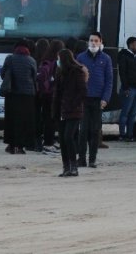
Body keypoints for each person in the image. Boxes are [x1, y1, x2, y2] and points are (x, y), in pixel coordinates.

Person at [76, 32, 113, 167]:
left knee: (95, 131)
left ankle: (92, 159)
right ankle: (81, 158)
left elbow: (109, 80)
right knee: (83, 130)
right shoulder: (80, 57)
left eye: (96, 41)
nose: (93, 43)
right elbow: (76, 79)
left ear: (100, 42)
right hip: (84, 99)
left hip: (98, 100)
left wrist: (105, 98)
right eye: (91, 40)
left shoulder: (106, 58)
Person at [52, 49, 88, 177]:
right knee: (62, 139)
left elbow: (82, 92)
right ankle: (66, 166)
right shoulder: (59, 72)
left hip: (73, 110)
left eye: (59, 58)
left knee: (68, 137)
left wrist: (73, 104)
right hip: (60, 110)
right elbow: (57, 92)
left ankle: (74, 166)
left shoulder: (77, 72)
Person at [1, 39, 38, 154]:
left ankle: (11, 145)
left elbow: (3, 74)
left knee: (11, 120)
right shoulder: (31, 60)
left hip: (12, 94)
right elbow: (34, 77)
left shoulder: (9, 58)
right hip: (27, 95)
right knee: (24, 121)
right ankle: (21, 146)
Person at [36, 39, 63, 153]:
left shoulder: (45, 60)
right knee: (50, 120)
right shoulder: (54, 63)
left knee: (47, 118)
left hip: (45, 94)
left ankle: (48, 141)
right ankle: (48, 143)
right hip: (52, 94)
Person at [118, 37, 136, 141]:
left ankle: (130, 135)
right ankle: (122, 135)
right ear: (131, 45)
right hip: (129, 89)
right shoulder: (124, 56)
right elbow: (122, 73)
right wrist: (126, 87)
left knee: (133, 113)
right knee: (125, 112)